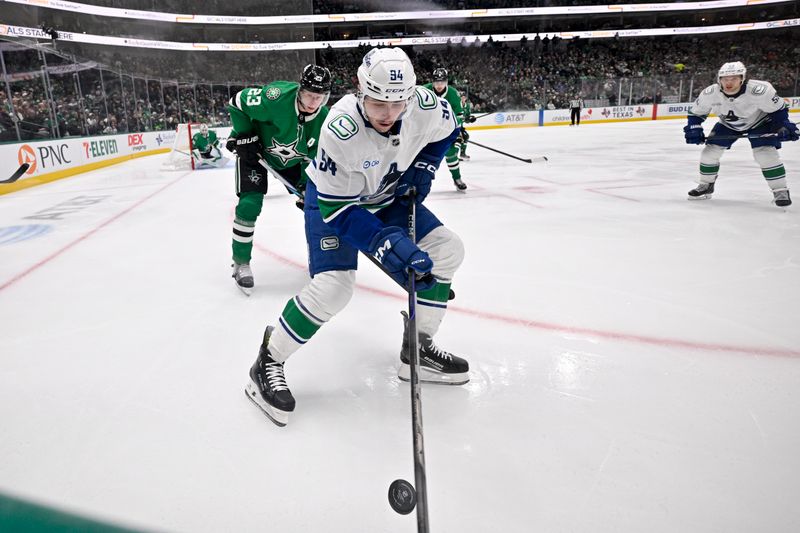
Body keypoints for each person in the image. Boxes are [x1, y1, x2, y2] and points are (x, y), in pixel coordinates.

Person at [245, 47, 470, 427]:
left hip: (387, 193)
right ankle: (269, 359)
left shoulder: (425, 104)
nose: (388, 114)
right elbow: (339, 212)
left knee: (448, 250)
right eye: (378, 103)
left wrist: (428, 165)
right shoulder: (340, 128)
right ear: (361, 91)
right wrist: (385, 242)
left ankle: (417, 349)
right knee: (334, 288)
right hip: (336, 201)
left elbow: (448, 132)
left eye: (398, 104)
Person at [226, 65, 332, 295]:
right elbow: (236, 102)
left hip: (294, 163)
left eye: (319, 97)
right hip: (255, 152)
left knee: (314, 208)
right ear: (299, 90)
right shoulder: (276, 97)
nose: (313, 102)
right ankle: (241, 262)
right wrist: (244, 134)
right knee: (249, 204)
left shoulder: (325, 121)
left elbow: (314, 160)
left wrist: (308, 188)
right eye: (309, 95)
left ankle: (319, 260)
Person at [684, 61, 798, 207]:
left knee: (764, 154)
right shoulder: (711, 92)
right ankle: (706, 185)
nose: (729, 82)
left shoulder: (760, 90)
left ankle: (780, 190)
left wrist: (783, 126)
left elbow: (778, 110)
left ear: (742, 79)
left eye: (733, 79)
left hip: (760, 123)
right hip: (728, 125)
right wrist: (694, 128)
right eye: (725, 79)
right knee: (709, 152)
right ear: (719, 79)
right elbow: (695, 114)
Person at [423, 68, 468, 191]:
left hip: (447, 131)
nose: (439, 85)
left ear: (446, 82)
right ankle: (415, 182)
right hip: (427, 131)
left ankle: (457, 178)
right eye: (436, 82)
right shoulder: (424, 90)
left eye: (442, 82)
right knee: (419, 156)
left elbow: (459, 116)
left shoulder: (453, 94)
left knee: (451, 153)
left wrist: (457, 128)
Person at [459, 93, 477, 161]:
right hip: (454, 126)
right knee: (459, 139)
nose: (463, 98)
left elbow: (466, 119)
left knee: (465, 136)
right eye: (462, 97)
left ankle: (462, 154)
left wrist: (471, 119)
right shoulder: (456, 105)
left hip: (460, 126)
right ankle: (456, 155)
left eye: (464, 97)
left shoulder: (467, 106)